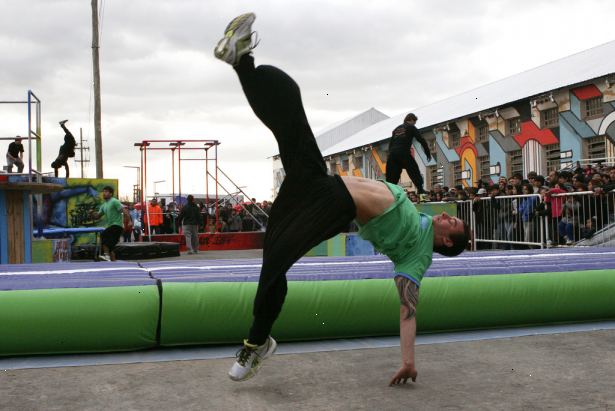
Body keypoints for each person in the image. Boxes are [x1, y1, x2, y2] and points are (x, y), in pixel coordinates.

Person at [213, 13, 471, 385]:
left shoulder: (417, 256)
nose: (447, 217)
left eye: (453, 223)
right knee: (290, 115)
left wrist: (409, 361)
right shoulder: (418, 217)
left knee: (278, 262)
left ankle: (255, 344)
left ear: (447, 240)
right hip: (319, 181)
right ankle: (241, 61)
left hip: (333, 206)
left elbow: (408, 312)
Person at [385, 112, 431, 195]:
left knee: (392, 176)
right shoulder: (411, 127)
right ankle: (420, 189)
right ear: (411, 120)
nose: (415, 124)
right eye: (415, 122)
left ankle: (390, 193)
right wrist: (427, 152)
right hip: (403, 153)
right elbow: (421, 139)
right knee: (413, 169)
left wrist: (389, 156)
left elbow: (391, 144)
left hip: (392, 155)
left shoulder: (396, 129)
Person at [90, 186, 130, 261]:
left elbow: (124, 211)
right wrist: (91, 213)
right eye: (103, 192)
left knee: (103, 235)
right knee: (110, 248)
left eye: (106, 192)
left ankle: (106, 255)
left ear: (111, 194)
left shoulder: (114, 201)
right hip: (111, 226)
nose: (104, 193)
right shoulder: (103, 205)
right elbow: (97, 216)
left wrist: (130, 221)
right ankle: (112, 263)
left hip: (117, 226)